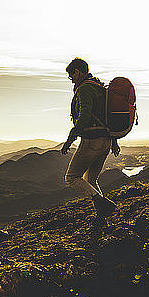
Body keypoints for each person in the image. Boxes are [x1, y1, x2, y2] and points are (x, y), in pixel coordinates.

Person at [61, 57, 119, 221]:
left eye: (71, 75)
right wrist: (114, 142)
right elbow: (107, 118)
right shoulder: (100, 88)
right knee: (90, 180)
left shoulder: (85, 88)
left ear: (77, 72)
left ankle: (103, 204)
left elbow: (85, 115)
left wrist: (69, 140)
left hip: (91, 141)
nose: (71, 79)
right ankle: (103, 213)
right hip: (106, 142)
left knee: (72, 177)